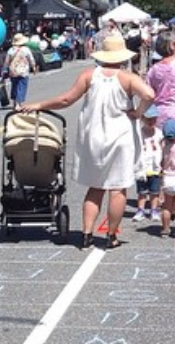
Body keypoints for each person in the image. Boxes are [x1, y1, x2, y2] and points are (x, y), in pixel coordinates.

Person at [20, 33, 154, 250]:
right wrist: (138, 112)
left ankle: (87, 233)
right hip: (120, 135)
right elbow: (149, 94)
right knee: (118, 188)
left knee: (95, 187)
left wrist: (39, 105)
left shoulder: (89, 75)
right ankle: (111, 235)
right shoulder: (128, 77)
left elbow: (66, 99)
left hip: (94, 136)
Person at [132, 106, 162, 223]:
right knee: (142, 192)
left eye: (154, 119)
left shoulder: (159, 134)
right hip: (142, 168)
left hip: (155, 167)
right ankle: (141, 210)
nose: (151, 122)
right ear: (143, 119)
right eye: (148, 119)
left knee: (155, 192)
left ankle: (154, 210)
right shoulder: (139, 133)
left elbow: (163, 148)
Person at [3, 33, 36, 108]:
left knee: (14, 86)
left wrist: (5, 70)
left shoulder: (10, 50)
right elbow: (31, 59)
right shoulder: (26, 49)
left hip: (13, 71)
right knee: (22, 87)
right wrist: (33, 67)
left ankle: (14, 101)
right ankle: (18, 103)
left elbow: (6, 62)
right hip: (23, 71)